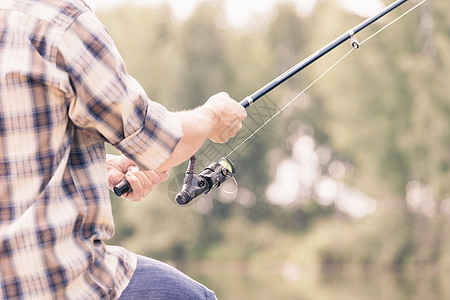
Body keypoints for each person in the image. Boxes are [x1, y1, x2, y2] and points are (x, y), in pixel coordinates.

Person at [0, 0, 247, 299]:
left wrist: (92, 168)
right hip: (55, 281)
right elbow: (159, 143)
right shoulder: (63, 20)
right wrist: (213, 116)